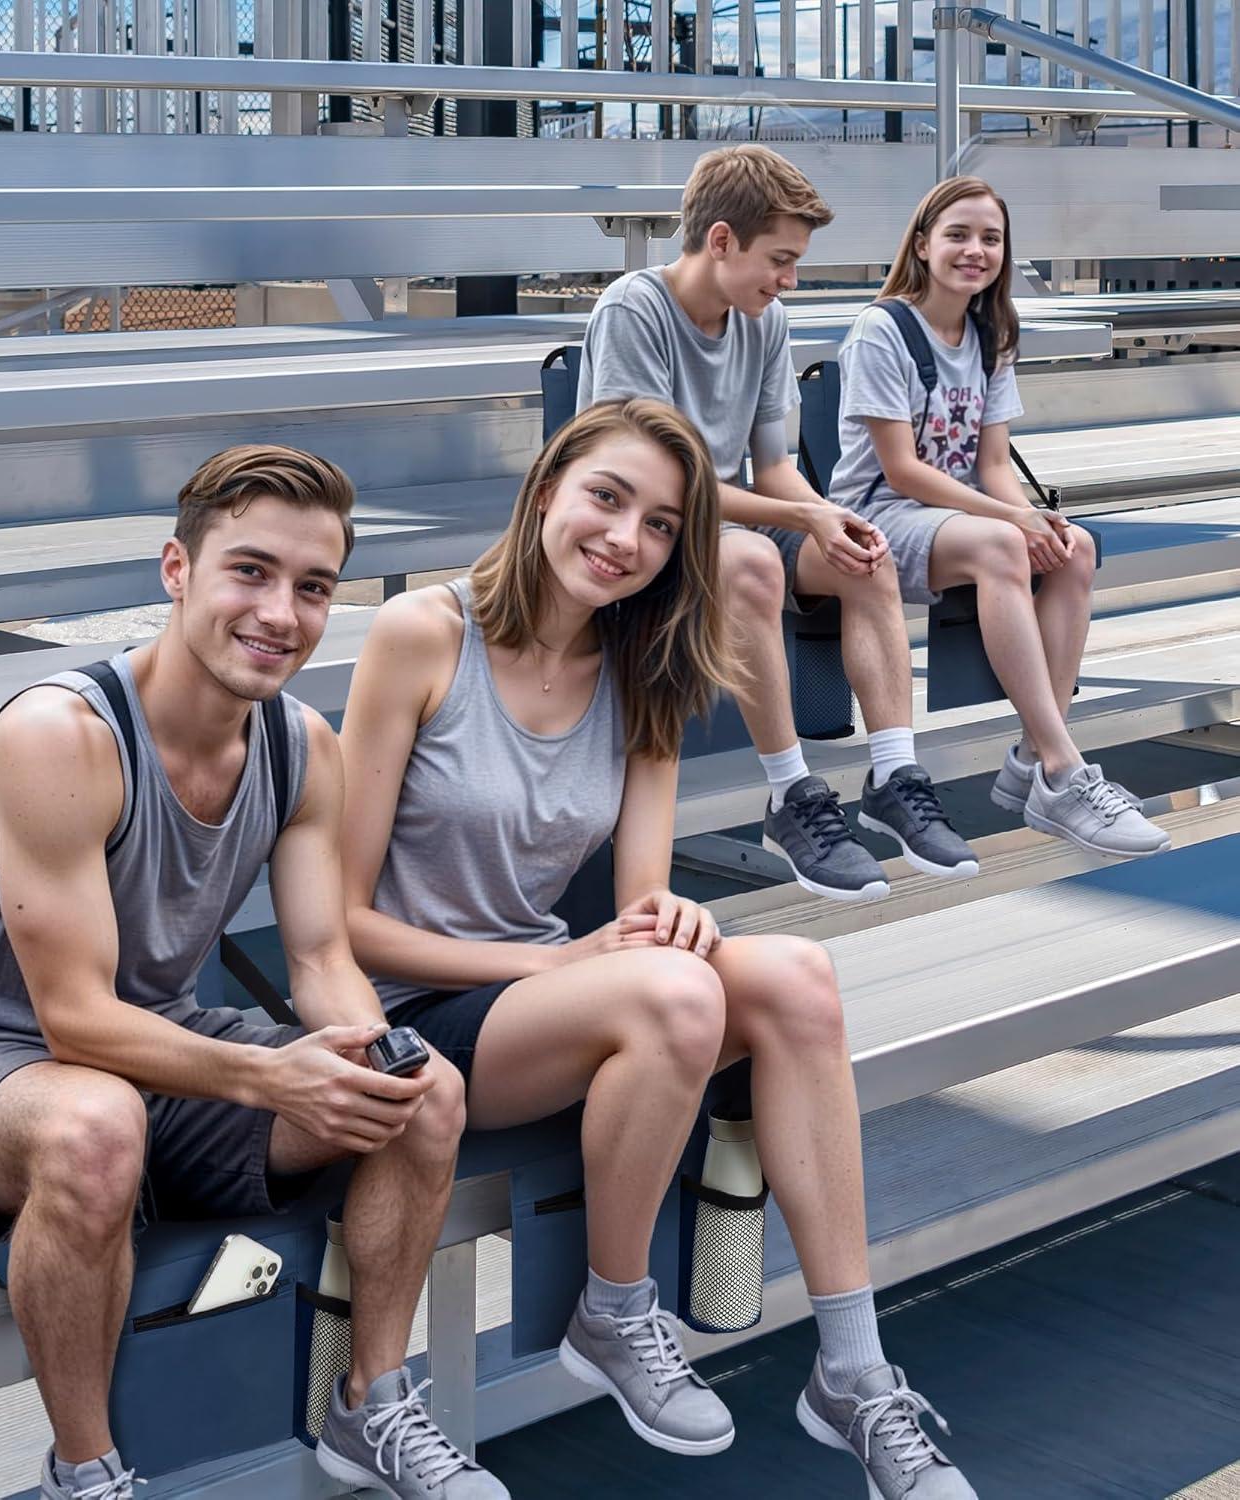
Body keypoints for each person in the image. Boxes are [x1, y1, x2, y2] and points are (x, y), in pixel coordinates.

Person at [339, 399, 977, 1498]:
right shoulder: (423, 637)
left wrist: (674, 917)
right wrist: (548, 963)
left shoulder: (647, 665)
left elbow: (636, 898)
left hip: (565, 988)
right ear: (547, 491)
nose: (625, 537)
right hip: (422, 1012)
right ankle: (615, 1311)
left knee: (796, 976)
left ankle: (855, 1374)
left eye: (660, 523)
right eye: (607, 497)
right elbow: (338, 919)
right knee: (677, 1004)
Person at [0, 445, 508, 1500]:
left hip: (163, 1049)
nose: (281, 611)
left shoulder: (303, 745)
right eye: (251, 571)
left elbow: (319, 958)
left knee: (423, 1091)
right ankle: (86, 1472)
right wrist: (275, 1079)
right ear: (177, 570)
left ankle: (372, 1404)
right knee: (95, 1128)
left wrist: (366, 1050)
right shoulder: (62, 738)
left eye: (314, 587)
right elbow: (76, 1023)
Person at [579, 144, 978, 902]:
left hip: (730, 516)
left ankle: (895, 775)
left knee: (870, 551)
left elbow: (773, 468)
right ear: (721, 240)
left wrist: (828, 517)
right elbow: (658, 482)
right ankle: (789, 796)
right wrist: (798, 513)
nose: (790, 279)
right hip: (645, 526)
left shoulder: (763, 320)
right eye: (780, 259)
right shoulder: (636, 307)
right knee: (753, 562)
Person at [832, 176, 1169, 859]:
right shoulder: (882, 329)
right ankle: (1063, 768)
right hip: (879, 519)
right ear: (922, 245)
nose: (975, 250)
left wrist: (1034, 519)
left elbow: (991, 466)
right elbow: (901, 470)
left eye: (991, 238)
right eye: (958, 234)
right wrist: (1010, 524)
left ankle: (1030, 761)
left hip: (959, 518)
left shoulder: (992, 334)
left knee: (1072, 547)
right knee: (1004, 544)